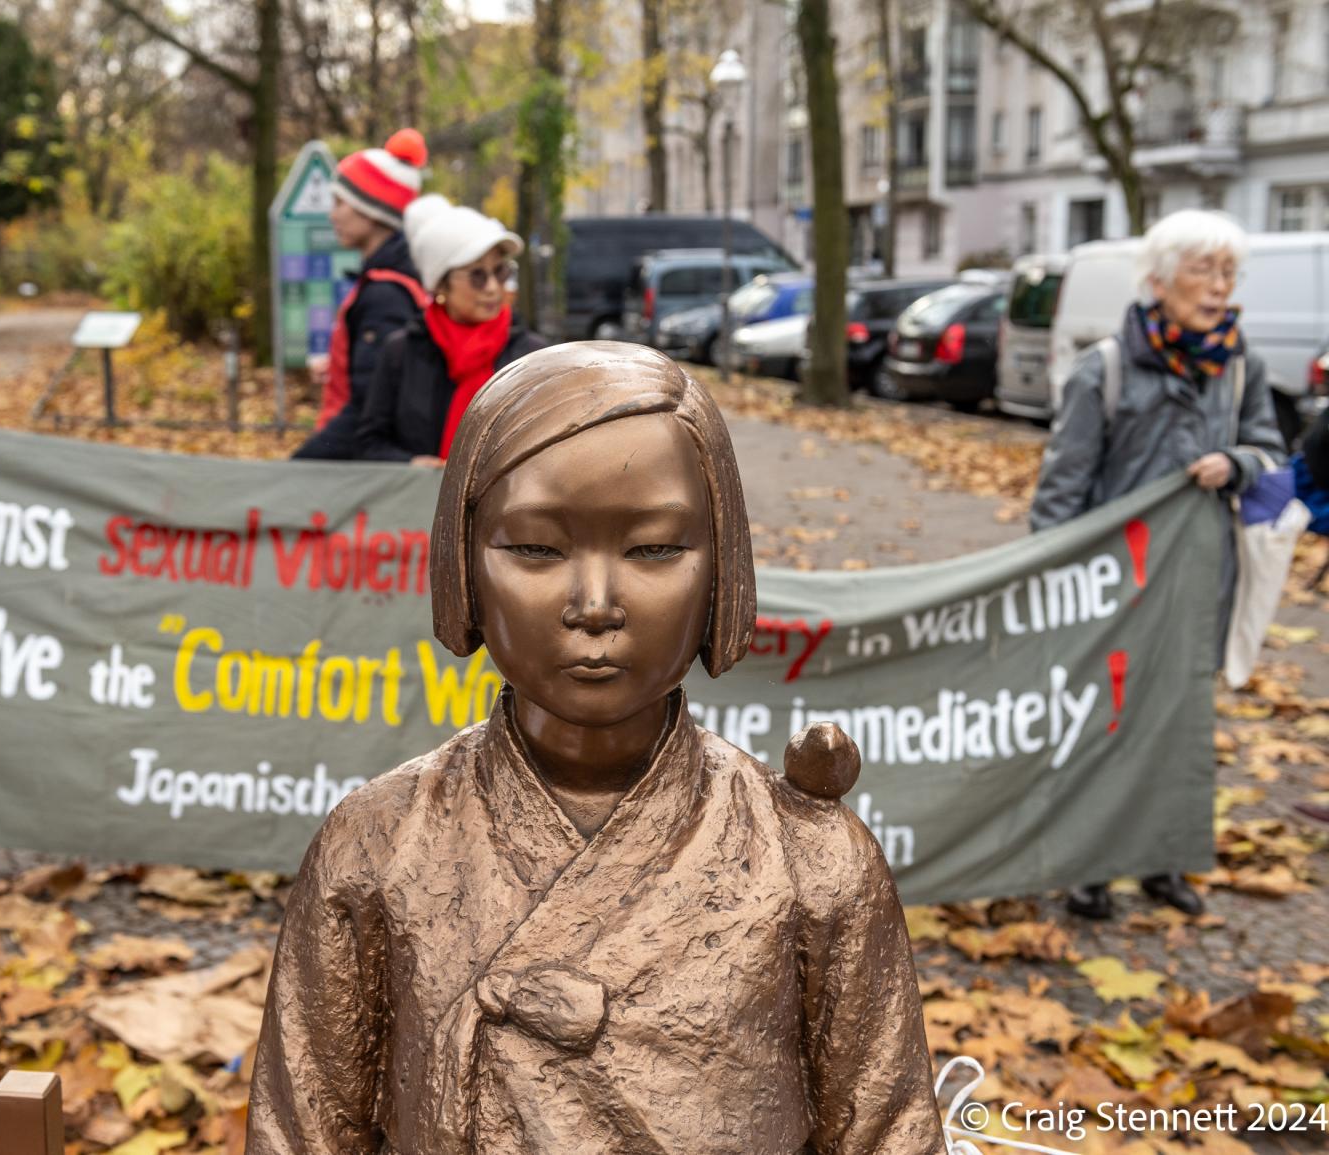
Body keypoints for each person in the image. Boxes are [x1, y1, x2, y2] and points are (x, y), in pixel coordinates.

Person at [248, 343, 944, 1154]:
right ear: (462, 564)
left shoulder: (812, 862)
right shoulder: (373, 845)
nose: (595, 603)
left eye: (652, 549)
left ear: (723, 565)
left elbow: (889, 1136)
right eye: (537, 549)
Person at [1031, 209, 1286, 921]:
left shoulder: (1242, 367)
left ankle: (1161, 861)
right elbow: (1061, 490)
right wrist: (1047, 585)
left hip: (1199, 582)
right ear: (1160, 280)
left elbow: (1272, 458)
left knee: (1179, 725)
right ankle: (1091, 867)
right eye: (1203, 269)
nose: (1218, 286)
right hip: (1115, 586)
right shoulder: (1106, 369)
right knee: (1107, 723)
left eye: (1228, 271)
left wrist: (1236, 462)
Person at [355, 194, 547, 465]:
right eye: (477, 275)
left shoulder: (533, 356)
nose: (493, 287)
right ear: (441, 285)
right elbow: (370, 443)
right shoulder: (401, 351)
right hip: (417, 503)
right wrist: (409, 463)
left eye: (500, 271)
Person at [294, 130, 430, 460]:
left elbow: (369, 408)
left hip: (360, 473)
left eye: (341, 202)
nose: (332, 215)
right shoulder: (395, 280)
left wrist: (302, 466)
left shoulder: (385, 294)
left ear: (371, 210)